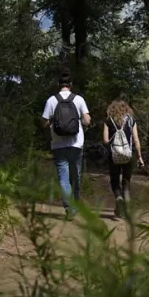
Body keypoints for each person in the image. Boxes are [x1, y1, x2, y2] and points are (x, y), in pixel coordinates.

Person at [41, 70, 91, 219]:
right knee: (75, 176)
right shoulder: (79, 99)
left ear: (58, 84)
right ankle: (75, 203)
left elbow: (43, 122)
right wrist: (79, 122)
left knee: (63, 178)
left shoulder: (51, 100)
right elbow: (87, 120)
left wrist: (51, 122)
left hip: (57, 145)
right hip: (76, 143)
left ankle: (69, 208)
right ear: (71, 84)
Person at [102, 99, 144, 218]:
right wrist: (140, 156)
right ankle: (124, 207)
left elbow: (105, 140)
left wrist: (113, 139)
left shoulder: (108, 121)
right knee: (126, 181)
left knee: (114, 180)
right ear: (127, 110)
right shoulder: (131, 120)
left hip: (114, 155)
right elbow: (136, 140)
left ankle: (118, 197)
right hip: (129, 155)